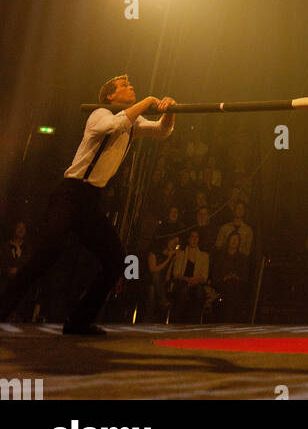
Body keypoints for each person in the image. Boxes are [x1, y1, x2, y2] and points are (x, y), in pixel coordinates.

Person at [0, 74, 175, 335]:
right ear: (110, 96)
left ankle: (79, 322)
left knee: (116, 261)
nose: (131, 87)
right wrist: (149, 100)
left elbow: (161, 131)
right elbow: (112, 126)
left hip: (91, 199)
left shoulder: (133, 121)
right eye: (124, 86)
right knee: (47, 253)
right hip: (70, 194)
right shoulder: (99, 114)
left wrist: (169, 111)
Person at [170, 229, 210, 323]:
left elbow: (204, 276)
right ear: (188, 239)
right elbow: (176, 273)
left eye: (196, 237)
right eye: (192, 237)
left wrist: (195, 280)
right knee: (183, 290)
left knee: (199, 292)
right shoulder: (181, 254)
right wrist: (187, 279)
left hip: (197, 283)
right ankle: (178, 322)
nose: (194, 239)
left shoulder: (204, 256)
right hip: (182, 282)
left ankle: (194, 323)